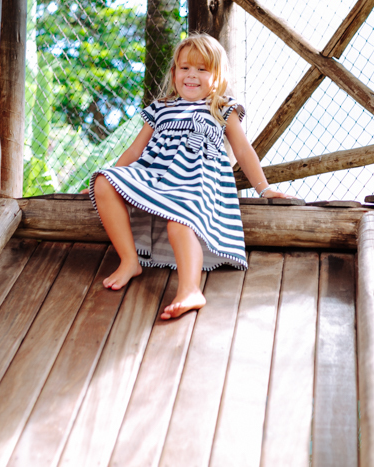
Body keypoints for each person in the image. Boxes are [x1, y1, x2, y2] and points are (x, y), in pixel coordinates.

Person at [88, 33, 295, 321]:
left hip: (195, 182)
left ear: (217, 75)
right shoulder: (161, 108)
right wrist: (114, 177)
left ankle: (189, 289)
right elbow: (135, 149)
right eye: (185, 68)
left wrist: (264, 189)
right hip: (157, 176)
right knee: (103, 181)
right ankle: (129, 260)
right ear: (174, 73)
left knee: (180, 221)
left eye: (202, 69)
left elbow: (243, 150)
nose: (192, 75)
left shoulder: (222, 108)